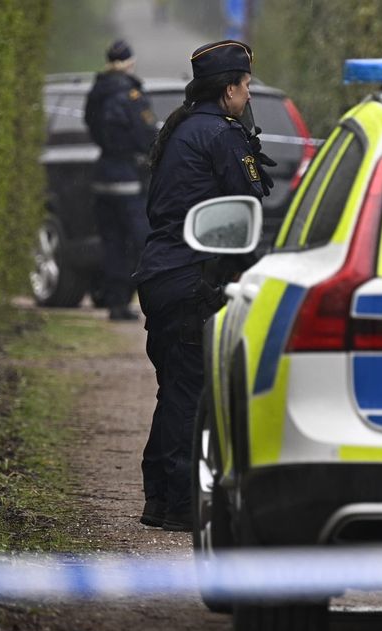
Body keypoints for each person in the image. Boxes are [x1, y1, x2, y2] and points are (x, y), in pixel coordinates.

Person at [132, 40, 274, 531]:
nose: (249, 93)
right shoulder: (221, 135)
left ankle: (160, 497)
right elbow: (246, 210)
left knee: (175, 387)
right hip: (193, 276)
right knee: (191, 391)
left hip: (163, 272)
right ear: (229, 89)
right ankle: (178, 504)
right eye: (247, 86)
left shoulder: (183, 129)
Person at [84, 39, 158, 321]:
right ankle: (146, 301)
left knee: (112, 242)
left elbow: (89, 123)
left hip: (102, 174)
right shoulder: (131, 93)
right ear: (130, 62)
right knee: (139, 242)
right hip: (128, 176)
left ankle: (116, 304)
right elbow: (146, 132)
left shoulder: (97, 90)